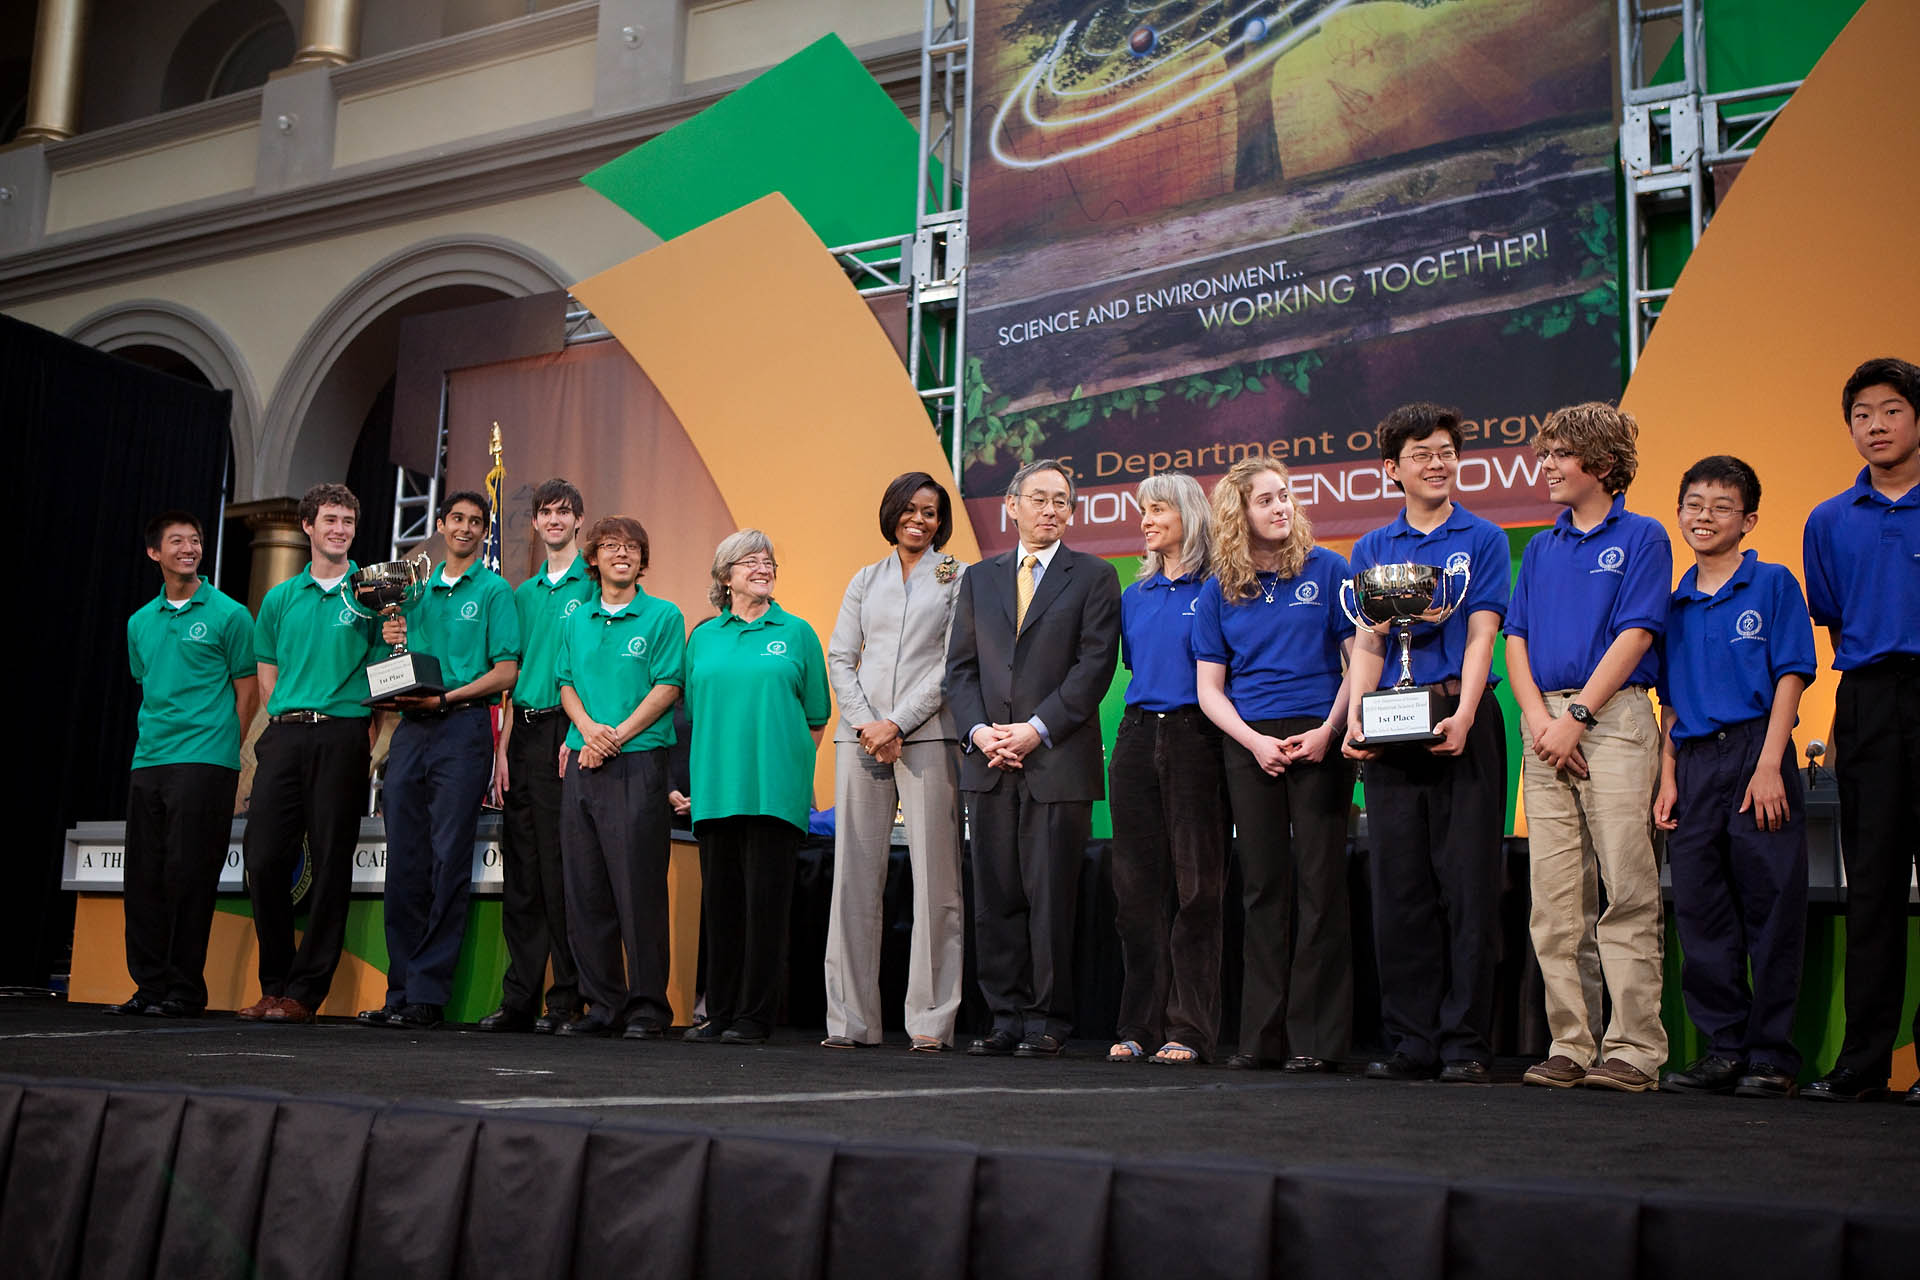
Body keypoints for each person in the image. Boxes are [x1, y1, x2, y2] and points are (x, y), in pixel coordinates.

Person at [1506, 402, 1671, 1093]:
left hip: (1615, 720)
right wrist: (1537, 719)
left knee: (1627, 891)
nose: (1545, 468)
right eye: (1545, 455)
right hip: (1545, 727)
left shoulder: (1643, 536)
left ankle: (1633, 1049)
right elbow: (1515, 636)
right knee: (1554, 899)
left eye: (1558, 456)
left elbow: (1637, 633)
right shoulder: (1542, 547)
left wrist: (1576, 714)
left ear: (1600, 465)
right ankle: (1570, 1041)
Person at [1344, 405, 1511, 1085]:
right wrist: (1356, 720)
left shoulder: (1486, 537)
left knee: (1467, 887)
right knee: (1399, 888)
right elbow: (1370, 641)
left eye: (1446, 451)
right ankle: (1410, 1038)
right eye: (1422, 454)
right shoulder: (1372, 548)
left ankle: (1465, 1041)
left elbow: (1480, 631)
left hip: (1459, 714)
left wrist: (1467, 712)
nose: (1438, 463)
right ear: (1393, 470)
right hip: (1389, 721)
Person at [946, 458, 1122, 1058]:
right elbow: (960, 670)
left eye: (1062, 502)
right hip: (988, 762)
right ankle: (1003, 1016)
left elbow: (1094, 666)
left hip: (1055, 762)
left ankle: (1048, 1019)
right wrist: (978, 732)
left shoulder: (1094, 576)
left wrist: (1035, 729)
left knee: (1050, 901)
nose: (1051, 510)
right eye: (1040, 499)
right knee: (995, 899)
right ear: (1012, 506)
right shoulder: (979, 577)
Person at [1655, 456, 1815, 1099]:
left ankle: (1771, 1055)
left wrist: (1771, 764)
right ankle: (1724, 1048)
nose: (1705, 516)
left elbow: (1791, 676)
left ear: (1748, 520)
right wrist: (1667, 776)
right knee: (1701, 912)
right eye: (1694, 504)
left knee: (1771, 907)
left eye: (1722, 507)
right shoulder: (1673, 604)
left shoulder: (1773, 584)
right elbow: (1669, 701)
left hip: (1757, 751)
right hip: (1693, 762)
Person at [1194, 459, 1355, 1071]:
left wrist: (1329, 731)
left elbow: (1355, 664)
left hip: (1321, 737)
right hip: (1250, 744)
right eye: (1267, 500)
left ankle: (1314, 1041)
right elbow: (1211, 689)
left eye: (1285, 496)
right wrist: (1253, 742)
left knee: (1321, 887)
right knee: (1262, 890)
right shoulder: (1220, 587)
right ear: (1240, 514)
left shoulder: (1330, 569)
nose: (1282, 507)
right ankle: (1259, 1039)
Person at [1800, 356, 1920, 1105]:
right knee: (1870, 887)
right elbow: (1836, 614)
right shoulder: (1829, 518)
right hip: (1870, 700)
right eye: (1861, 415)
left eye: (1891, 411)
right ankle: (1862, 1063)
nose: (1874, 426)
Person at [359, 490, 520, 1030]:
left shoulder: (495, 590)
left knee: (447, 860)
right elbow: (398, 666)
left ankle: (427, 995)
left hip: (462, 726)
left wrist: (447, 699)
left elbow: (506, 673)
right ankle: (398, 991)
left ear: (483, 531)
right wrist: (393, 641)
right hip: (411, 729)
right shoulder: (413, 593)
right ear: (443, 525)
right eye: (458, 519)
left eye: (477, 522)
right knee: (404, 863)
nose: (467, 528)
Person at [823, 473, 968, 1053]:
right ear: (892, 514)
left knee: (937, 883)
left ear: (940, 520)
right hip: (858, 741)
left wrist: (897, 723)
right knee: (853, 884)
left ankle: (930, 1021)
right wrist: (867, 725)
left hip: (928, 737)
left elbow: (952, 663)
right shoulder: (864, 579)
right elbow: (841, 656)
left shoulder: (957, 576)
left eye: (930, 512)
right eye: (909, 510)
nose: (919, 520)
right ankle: (850, 1023)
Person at [240, 483, 383, 1023]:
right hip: (286, 733)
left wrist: (360, 725)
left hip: (343, 734)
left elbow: (382, 670)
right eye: (330, 520)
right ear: (308, 526)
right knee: (264, 858)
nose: (339, 529)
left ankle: (304, 992)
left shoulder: (369, 593)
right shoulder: (280, 597)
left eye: (347, 521)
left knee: (328, 863)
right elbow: (267, 676)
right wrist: (290, 717)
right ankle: (273, 982)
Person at [683, 530, 830, 1045]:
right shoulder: (702, 637)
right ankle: (718, 1013)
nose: (762, 567)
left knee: (765, 911)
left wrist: (784, 761)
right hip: (718, 791)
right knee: (721, 911)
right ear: (725, 576)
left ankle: (753, 1017)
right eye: (749, 561)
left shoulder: (797, 632)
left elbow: (816, 716)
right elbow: (697, 713)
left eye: (768, 561)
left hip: (775, 794)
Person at [114, 511, 257, 1018]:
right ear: (156, 553)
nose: (189, 548)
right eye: (176, 541)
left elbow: (248, 691)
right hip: (149, 759)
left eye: (195, 541)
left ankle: (183, 990)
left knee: (190, 875)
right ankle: (148, 987)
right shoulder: (139, 622)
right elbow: (148, 685)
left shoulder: (229, 614)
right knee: (145, 876)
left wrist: (225, 747)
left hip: (205, 762)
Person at [1108, 472, 1228, 1066]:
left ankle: (1191, 1029)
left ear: (1188, 515)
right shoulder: (1135, 595)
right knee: (1135, 893)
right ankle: (1137, 1026)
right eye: (1142, 512)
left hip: (1196, 738)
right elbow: (1137, 666)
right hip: (1135, 737)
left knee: (1198, 890)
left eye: (1157, 511)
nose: (1146, 521)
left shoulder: (1221, 588)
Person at [552, 516, 686, 1038]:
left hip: (638, 765)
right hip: (584, 763)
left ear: (643, 561)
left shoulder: (663, 616)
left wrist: (613, 738)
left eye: (632, 547)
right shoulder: (576, 619)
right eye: (610, 546)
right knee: (585, 891)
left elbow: (668, 686)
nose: (622, 554)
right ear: (594, 559)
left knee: (639, 892)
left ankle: (648, 1006)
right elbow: (565, 685)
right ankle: (602, 1005)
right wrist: (587, 732)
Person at [479, 479, 596, 1035]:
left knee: (560, 872)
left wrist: (576, 738)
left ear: (579, 521)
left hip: (565, 732)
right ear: (534, 523)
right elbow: (511, 677)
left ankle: (567, 999)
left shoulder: (594, 588)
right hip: (522, 736)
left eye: (564, 512)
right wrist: (501, 750)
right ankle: (519, 998)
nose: (554, 520)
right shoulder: (520, 594)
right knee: (521, 873)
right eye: (545, 512)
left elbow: (595, 674)